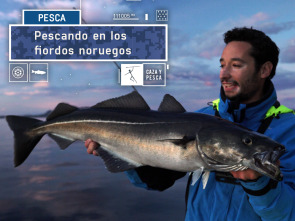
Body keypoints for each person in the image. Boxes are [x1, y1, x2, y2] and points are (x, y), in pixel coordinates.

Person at [85, 27, 295, 220]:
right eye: (222, 65)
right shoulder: (201, 117)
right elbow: (158, 179)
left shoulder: (290, 129)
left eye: (236, 65)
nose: (224, 74)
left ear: (265, 70)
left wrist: (260, 184)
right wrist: (118, 149)